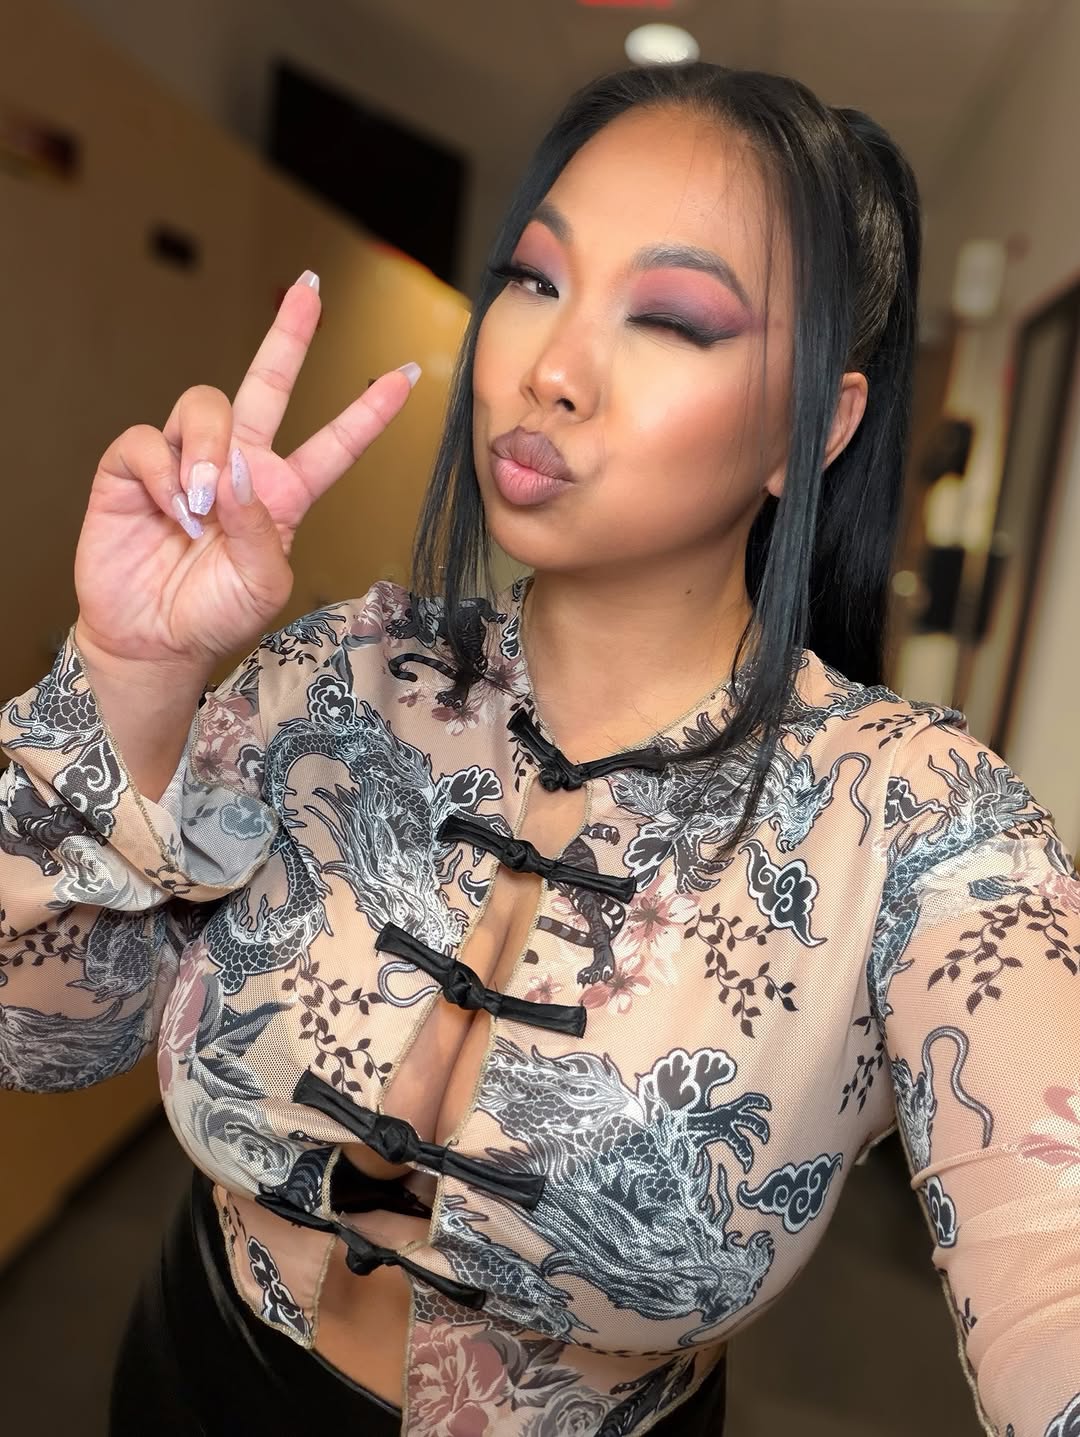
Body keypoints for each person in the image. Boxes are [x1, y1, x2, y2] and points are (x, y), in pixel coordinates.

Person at [1, 60, 1077, 1437]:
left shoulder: (914, 819)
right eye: (533, 277)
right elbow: (38, 1034)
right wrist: (134, 672)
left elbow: (1054, 1277)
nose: (549, 369)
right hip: (188, 1380)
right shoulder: (336, 677)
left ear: (815, 427)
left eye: (672, 317)